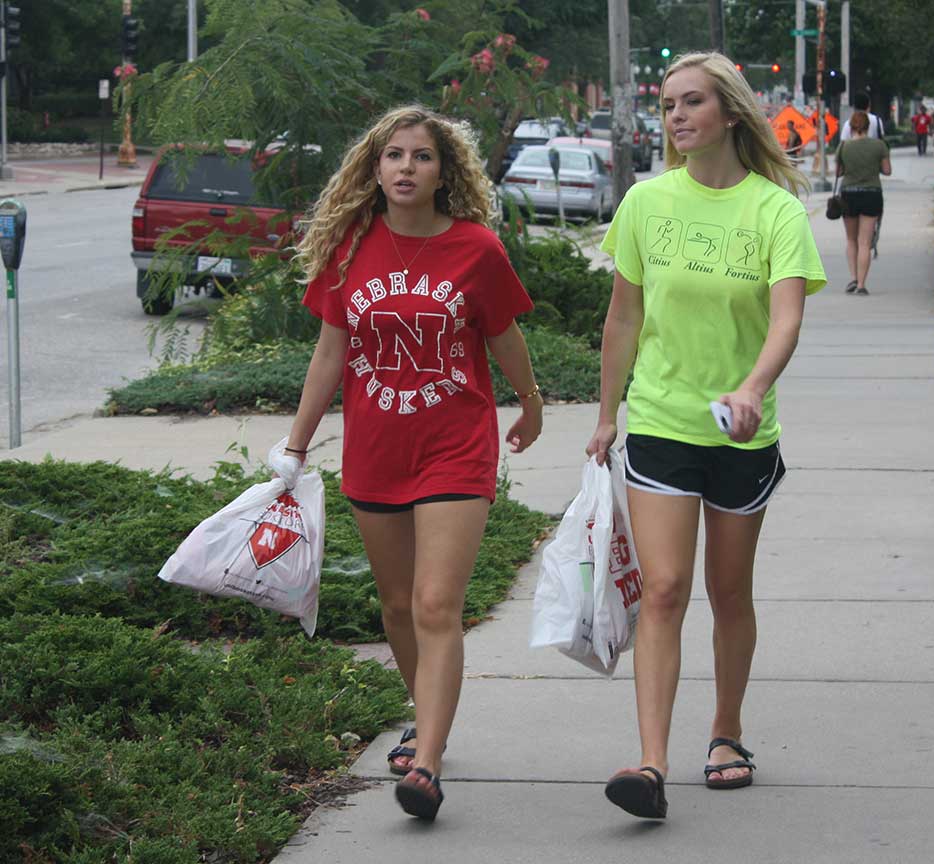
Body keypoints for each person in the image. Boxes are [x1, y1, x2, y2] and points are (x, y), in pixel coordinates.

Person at [270, 105, 543, 822]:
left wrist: (532, 402)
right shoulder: (351, 250)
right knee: (395, 607)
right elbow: (329, 354)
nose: (405, 168)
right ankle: (427, 714)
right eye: (394, 155)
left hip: (456, 446)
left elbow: (505, 334)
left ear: (443, 172)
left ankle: (426, 759)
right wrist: (295, 447)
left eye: (421, 157)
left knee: (434, 604)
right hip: (375, 449)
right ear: (375, 167)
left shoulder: (477, 248)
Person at [586, 51, 826, 820]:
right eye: (667, 106)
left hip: (743, 436)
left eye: (692, 102)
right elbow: (624, 316)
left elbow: (787, 317)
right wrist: (605, 414)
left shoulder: (775, 211)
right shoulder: (646, 205)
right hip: (660, 422)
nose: (677, 117)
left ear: (728, 112)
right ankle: (650, 763)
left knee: (728, 592)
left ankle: (726, 731)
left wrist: (753, 387)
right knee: (662, 590)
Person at [835, 110, 891, 296]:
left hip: (848, 193)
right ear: (869, 126)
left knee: (851, 240)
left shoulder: (843, 146)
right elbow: (887, 170)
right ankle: (861, 284)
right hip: (872, 193)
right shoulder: (879, 145)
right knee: (865, 242)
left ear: (851, 127)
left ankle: (852, 277)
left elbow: (838, 172)